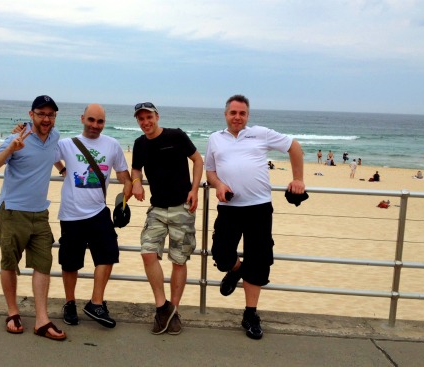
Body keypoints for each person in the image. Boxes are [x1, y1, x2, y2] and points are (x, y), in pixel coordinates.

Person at [205, 95, 305, 340]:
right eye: (233, 113)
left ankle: (250, 314)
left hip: (259, 208)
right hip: (228, 207)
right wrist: (217, 184)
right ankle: (236, 270)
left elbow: (294, 146)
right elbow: (210, 170)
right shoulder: (215, 139)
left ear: (248, 116)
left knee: (258, 261)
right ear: (225, 114)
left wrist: (298, 179)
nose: (237, 117)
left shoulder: (261, 133)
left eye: (242, 113)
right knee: (221, 254)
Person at [0, 95, 66, 340]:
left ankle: (42, 320)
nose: (46, 119)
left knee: (43, 264)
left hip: (40, 213)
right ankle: (13, 312)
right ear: (31, 115)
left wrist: (61, 168)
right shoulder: (16, 139)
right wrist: (10, 148)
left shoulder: (54, 136)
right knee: (9, 262)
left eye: (51, 114)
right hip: (12, 211)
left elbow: (51, 154)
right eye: (41, 114)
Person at [130, 102, 203, 335]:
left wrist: (195, 190)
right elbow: (136, 169)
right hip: (157, 209)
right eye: (140, 119)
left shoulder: (176, 136)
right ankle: (163, 308)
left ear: (157, 116)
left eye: (148, 117)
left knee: (179, 260)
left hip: (182, 206)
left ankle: (175, 311)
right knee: (148, 252)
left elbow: (198, 160)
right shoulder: (140, 144)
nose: (145, 122)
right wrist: (136, 183)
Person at [57, 104, 133, 329]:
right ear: (82, 119)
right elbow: (46, 152)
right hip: (71, 214)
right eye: (91, 120)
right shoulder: (66, 144)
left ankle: (96, 303)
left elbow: (122, 173)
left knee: (108, 254)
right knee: (70, 263)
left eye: (99, 122)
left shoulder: (112, 144)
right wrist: (61, 169)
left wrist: (128, 188)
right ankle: (70, 303)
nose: (95, 125)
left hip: (99, 211)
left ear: (104, 123)